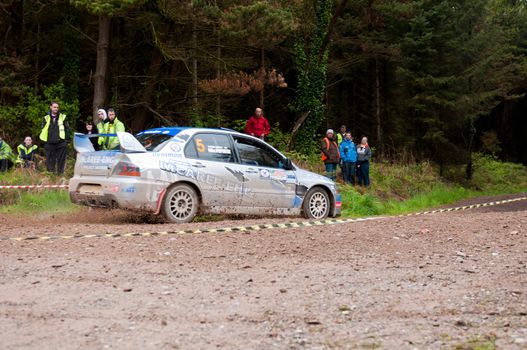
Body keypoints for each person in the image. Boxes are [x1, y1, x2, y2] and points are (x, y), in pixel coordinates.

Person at [39, 101, 70, 174]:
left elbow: (67, 129)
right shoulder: (46, 117)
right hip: (49, 142)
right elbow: (42, 129)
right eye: (54, 107)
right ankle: (50, 175)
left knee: (61, 160)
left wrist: (65, 140)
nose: (56, 109)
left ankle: (60, 174)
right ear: (51, 107)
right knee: (50, 160)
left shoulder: (63, 117)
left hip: (61, 143)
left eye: (57, 107)